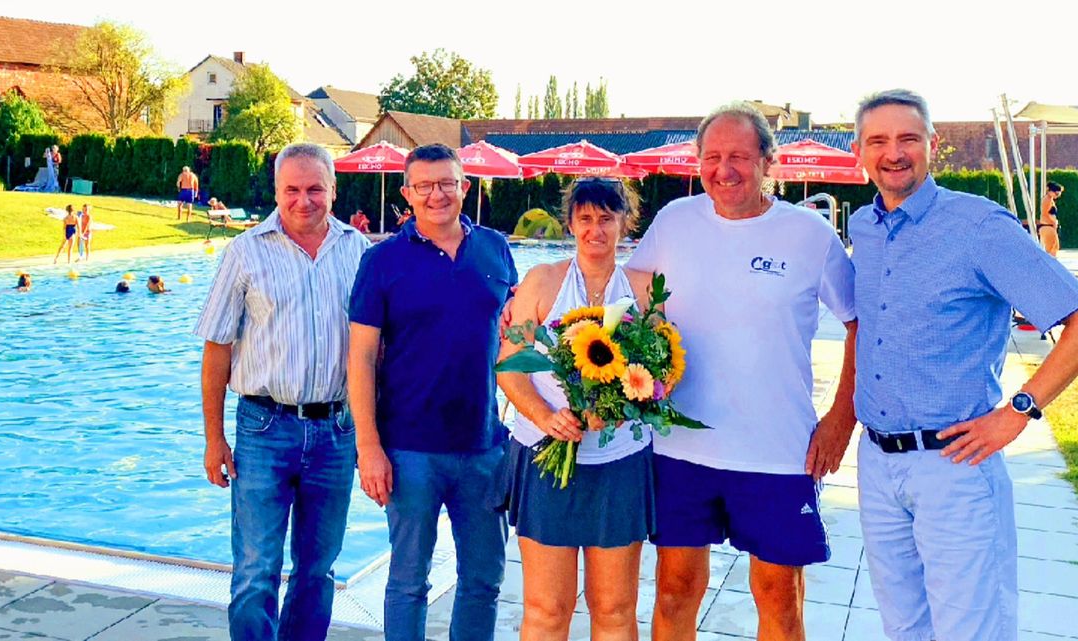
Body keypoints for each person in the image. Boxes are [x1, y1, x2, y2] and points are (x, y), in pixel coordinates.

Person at [847, 89, 1078, 641]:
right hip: (876, 463)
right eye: (878, 140)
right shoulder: (865, 229)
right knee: (905, 628)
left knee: (973, 631)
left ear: (932, 146)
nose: (893, 153)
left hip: (955, 465)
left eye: (907, 139)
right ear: (860, 151)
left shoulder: (978, 227)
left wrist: (1020, 409)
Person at [625, 103, 858, 641]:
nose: (723, 170)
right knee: (674, 591)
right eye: (712, 157)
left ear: (767, 161)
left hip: (777, 450)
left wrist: (840, 420)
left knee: (779, 598)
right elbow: (628, 294)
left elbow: (861, 323)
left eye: (738, 157)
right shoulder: (675, 222)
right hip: (680, 446)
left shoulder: (808, 234)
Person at [194, 143, 370, 641]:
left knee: (318, 572)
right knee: (255, 571)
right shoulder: (246, 252)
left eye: (315, 188)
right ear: (276, 191)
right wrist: (214, 439)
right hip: (264, 428)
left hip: (337, 431)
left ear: (333, 191)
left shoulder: (358, 252)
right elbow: (217, 349)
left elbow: (379, 351)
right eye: (291, 189)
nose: (303, 200)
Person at [348, 144, 515, 641]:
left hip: (485, 446)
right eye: (425, 185)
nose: (437, 194)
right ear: (407, 194)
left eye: (448, 183)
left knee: (483, 581)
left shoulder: (495, 248)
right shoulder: (382, 262)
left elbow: (517, 337)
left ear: (465, 187)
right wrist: (368, 446)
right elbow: (359, 359)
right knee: (407, 582)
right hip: (408, 450)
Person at [496, 177, 655, 641]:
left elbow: (660, 375)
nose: (596, 230)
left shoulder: (645, 291)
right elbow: (509, 366)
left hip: (619, 462)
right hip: (546, 457)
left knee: (615, 608)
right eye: (585, 218)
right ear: (570, 223)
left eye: (607, 218)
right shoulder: (543, 281)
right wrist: (546, 417)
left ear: (626, 222)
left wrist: (621, 408)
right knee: (547, 607)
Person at [1037, 181, 1065, 257]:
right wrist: (1054, 222)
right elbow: (1047, 213)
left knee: (1054, 247)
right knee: (1051, 249)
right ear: (1050, 191)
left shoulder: (1049, 199)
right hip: (1048, 226)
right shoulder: (1047, 200)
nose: (1057, 196)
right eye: (1056, 193)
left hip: (1048, 227)